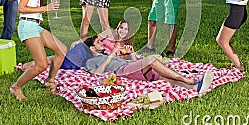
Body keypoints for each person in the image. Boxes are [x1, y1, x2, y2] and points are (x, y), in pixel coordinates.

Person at [9, 0, 67, 100]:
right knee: (41, 65)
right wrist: (46, 8)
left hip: (35, 25)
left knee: (62, 49)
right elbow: (21, 8)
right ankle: (16, 87)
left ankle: (50, 80)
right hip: (28, 26)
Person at [85, 37, 213, 94]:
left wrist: (131, 53)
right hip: (122, 71)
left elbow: (133, 62)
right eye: (98, 42)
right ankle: (190, 81)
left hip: (132, 67)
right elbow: (96, 73)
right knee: (151, 59)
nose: (101, 43)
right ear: (92, 48)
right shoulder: (91, 61)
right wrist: (111, 56)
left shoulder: (109, 54)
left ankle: (195, 88)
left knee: (164, 77)